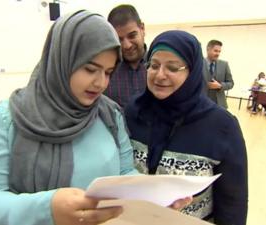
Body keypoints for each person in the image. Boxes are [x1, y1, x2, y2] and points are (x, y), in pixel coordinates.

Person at [0, 10, 189, 225]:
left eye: (108, 72)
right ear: (61, 59)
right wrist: (48, 209)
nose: (101, 83)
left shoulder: (109, 114)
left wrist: (153, 197)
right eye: (90, 69)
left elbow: (125, 174)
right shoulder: (8, 119)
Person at [125, 30, 248, 225]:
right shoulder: (134, 112)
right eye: (154, 65)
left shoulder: (221, 125)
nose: (160, 75)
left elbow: (233, 202)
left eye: (172, 68)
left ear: (192, 72)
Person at [104, 4, 147, 107]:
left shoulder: (160, 69)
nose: (127, 45)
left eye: (132, 36)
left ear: (142, 29)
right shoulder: (105, 73)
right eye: (119, 39)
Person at [202, 39, 234, 109]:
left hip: (219, 105)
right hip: (201, 103)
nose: (218, 54)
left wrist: (220, 86)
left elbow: (231, 83)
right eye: (215, 51)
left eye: (219, 51)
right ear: (208, 49)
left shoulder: (224, 64)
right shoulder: (198, 63)